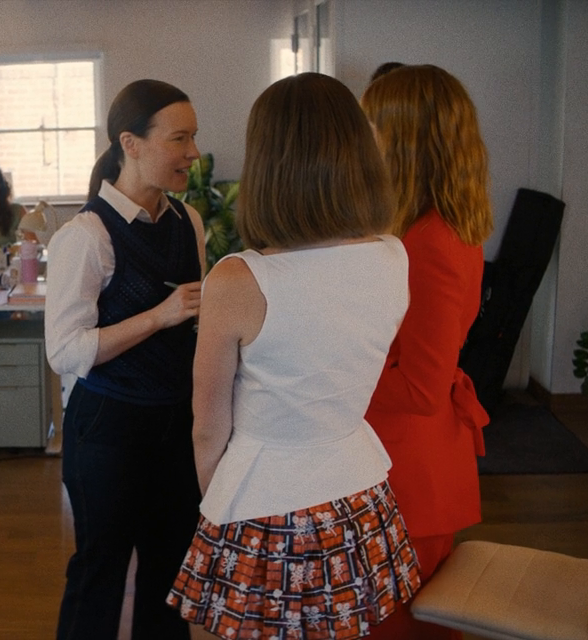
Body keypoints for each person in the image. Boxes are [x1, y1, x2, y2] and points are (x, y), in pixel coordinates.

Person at [166, 72, 422, 639]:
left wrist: (218, 504)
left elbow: (208, 427)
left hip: (263, 500)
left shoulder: (240, 279)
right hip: (357, 495)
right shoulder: (392, 255)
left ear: (268, 167)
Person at [45, 78, 205, 640]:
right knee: (100, 572)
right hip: (106, 429)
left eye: (194, 137)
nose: (193, 152)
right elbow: (65, 350)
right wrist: (159, 316)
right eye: (179, 138)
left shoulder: (189, 222)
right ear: (130, 144)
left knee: (170, 573)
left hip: (175, 425)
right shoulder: (85, 236)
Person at [359, 64, 493, 640]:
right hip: (401, 460)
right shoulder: (422, 227)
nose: (362, 138)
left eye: (370, 125)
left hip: (411, 472)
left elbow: (421, 387)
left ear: (403, 137)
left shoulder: (432, 240)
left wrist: (332, 373)